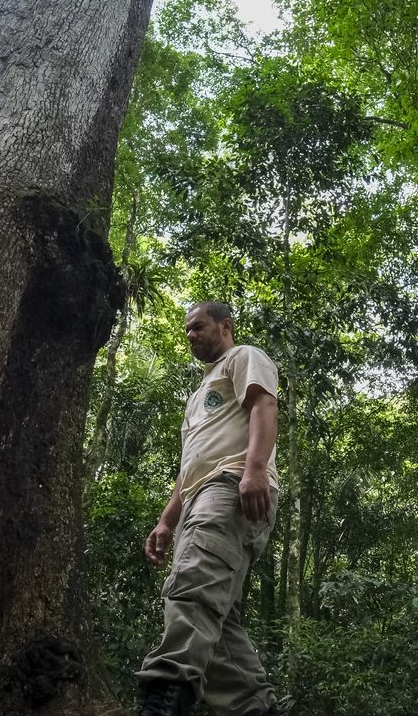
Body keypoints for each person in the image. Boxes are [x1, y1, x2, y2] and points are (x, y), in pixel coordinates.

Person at [135, 301, 281, 716]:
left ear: (225, 326)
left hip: (231, 485)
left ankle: (167, 691)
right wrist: (167, 521)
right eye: (187, 330)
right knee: (216, 619)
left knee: (194, 582)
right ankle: (255, 708)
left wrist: (254, 470)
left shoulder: (243, 357)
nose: (190, 335)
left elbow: (264, 406)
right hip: (198, 496)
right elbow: (191, 464)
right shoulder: (198, 395)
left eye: (198, 326)